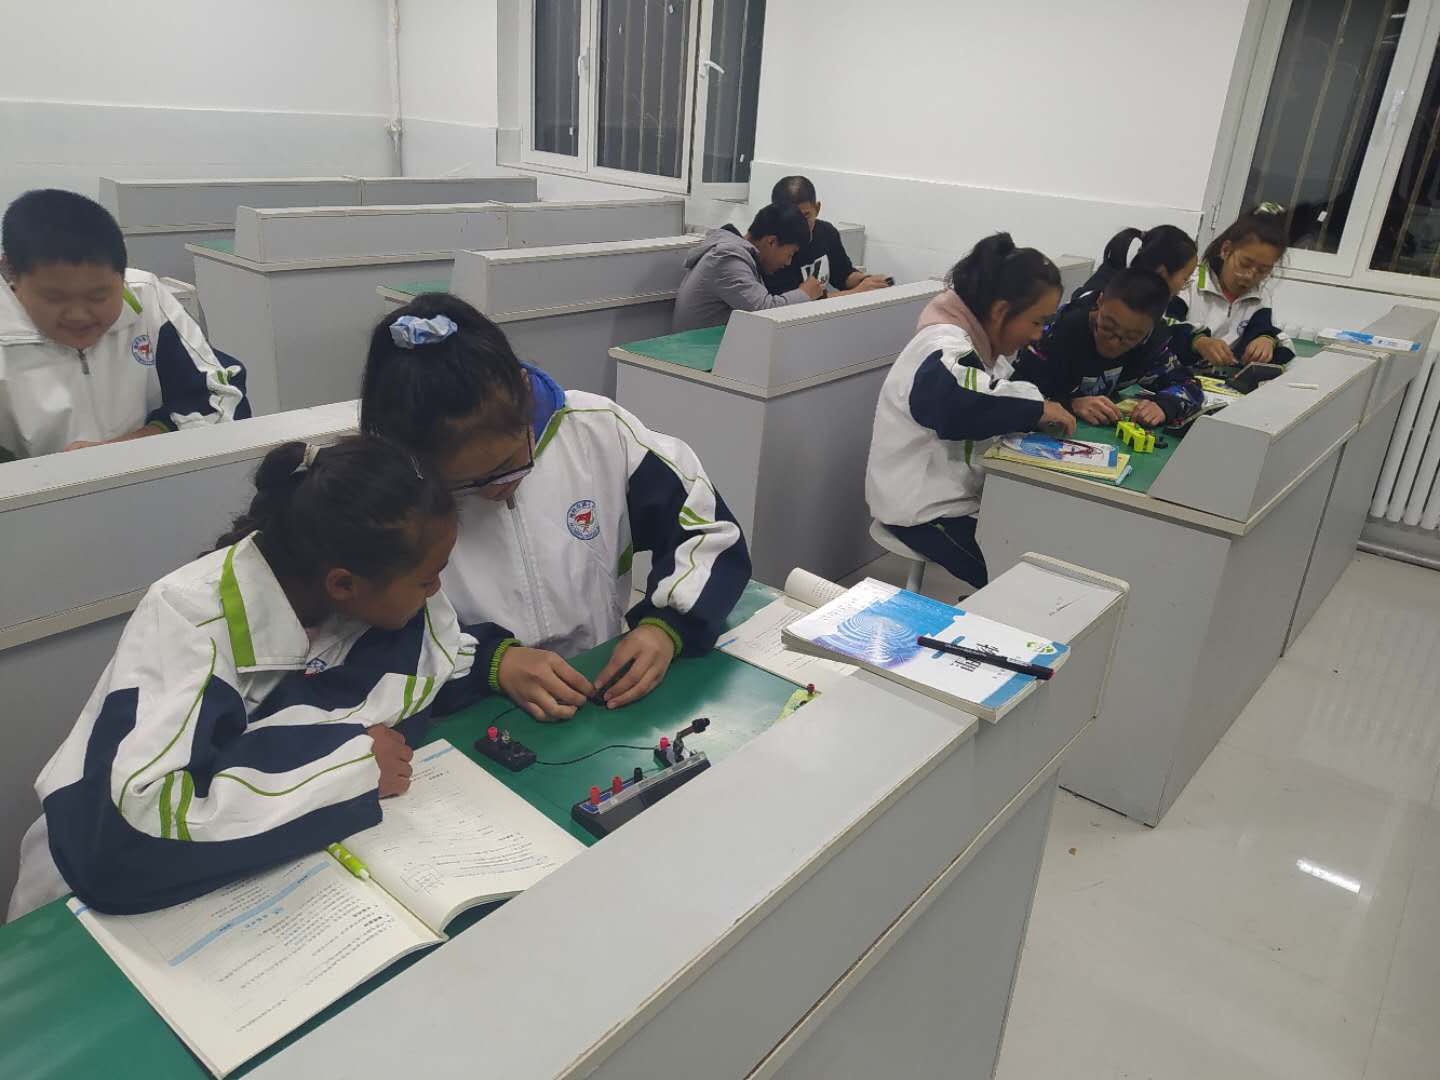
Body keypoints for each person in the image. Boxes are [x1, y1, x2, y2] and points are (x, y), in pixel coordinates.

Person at [8, 436, 485, 919]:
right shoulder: (188, 619)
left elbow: (426, 664)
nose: (436, 591)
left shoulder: (365, 594)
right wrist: (349, 768)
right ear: (343, 584)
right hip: (87, 893)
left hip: (246, 874)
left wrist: (491, 659)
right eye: (427, 579)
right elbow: (125, 835)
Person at [361, 298, 751, 722]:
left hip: (597, 680)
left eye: (512, 462)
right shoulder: (387, 499)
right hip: (474, 705)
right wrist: (492, 662)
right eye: (467, 484)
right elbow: (368, 637)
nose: (498, 489)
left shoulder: (598, 432)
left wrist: (666, 627)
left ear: (524, 394)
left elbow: (707, 531)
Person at [865, 234, 1074, 591]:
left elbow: (997, 390)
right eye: (1037, 322)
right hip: (924, 512)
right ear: (1000, 312)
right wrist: (1037, 408)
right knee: (1016, 577)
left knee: (1041, 545)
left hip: (956, 500)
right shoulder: (942, 345)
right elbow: (958, 403)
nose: (1039, 335)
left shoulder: (980, 347)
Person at [0, 189, 249, 460]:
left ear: (122, 276)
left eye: (98, 297)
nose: (78, 315)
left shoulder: (146, 296)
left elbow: (220, 397)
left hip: (151, 473)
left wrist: (130, 446)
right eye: (54, 298)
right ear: (10, 272)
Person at [1013, 268, 1203, 429]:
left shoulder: (1150, 344)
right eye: (1108, 327)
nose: (1113, 343)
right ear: (1100, 302)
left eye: (1130, 337)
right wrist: (1070, 403)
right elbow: (1014, 394)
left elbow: (1190, 385)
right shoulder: (1056, 333)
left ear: (1149, 329)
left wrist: (1164, 406)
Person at [1176, 203, 1294, 368]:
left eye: (1263, 270)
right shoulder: (1189, 283)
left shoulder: (1260, 297)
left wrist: (1267, 341)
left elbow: (1282, 341)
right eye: (1245, 264)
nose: (1250, 276)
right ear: (1226, 250)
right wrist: (1198, 341)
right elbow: (1163, 327)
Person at [672, 203, 823, 331]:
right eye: (790, 254)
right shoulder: (727, 259)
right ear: (771, 242)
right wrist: (805, 293)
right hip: (699, 353)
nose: (788, 262)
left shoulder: (741, 257)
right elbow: (763, 312)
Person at [764, 175, 890, 297]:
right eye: (792, 219)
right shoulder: (773, 249)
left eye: (806, 215)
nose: (800, 225)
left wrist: (867, 280)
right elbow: (791, 303)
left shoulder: (826, 232)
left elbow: (844, 275)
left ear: (817, 209)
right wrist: (858, 292)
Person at [1069, 224, 1198, 310]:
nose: (1183, 287)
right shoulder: (1106, 303)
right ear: (1162, 273)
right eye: (1185, 279)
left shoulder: (1140, 291)